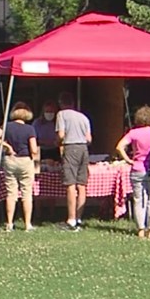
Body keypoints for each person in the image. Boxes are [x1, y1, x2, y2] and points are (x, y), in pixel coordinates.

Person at [116, 105, 150, 239]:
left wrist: (129, 160)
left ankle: (140, 230)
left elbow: (119, 147)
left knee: (138, 200)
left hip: (137, 169)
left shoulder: (133, 133)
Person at [0, 102, 40, 232]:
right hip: (25, 160)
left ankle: (9, 223)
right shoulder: (30, 129)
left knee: (11, 193)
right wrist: (34, 157)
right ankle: (28, 224)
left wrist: (7, 146)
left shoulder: (7, 126)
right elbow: (34, 149)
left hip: (10, 160)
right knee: (26, 193)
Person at [56, 92, 92, 232]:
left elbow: (61, 134)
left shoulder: (61, 115)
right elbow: (89, 139)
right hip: (84, 148)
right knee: (81, 185)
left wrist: (57, 142)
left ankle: (70, 219)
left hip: (70, 147)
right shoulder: (83, 117)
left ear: (61, 103)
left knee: (70, 184)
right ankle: (78, 218)